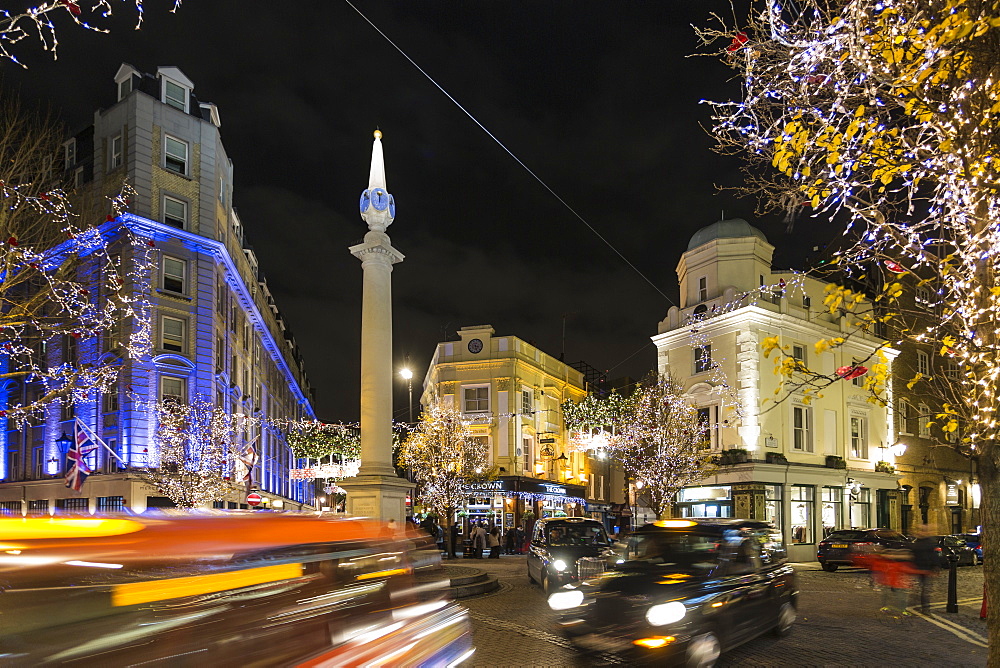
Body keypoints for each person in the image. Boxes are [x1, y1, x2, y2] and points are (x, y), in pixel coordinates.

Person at [911, 525, 941, 613]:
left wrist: (936, 566)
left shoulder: (929, 542)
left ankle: (925, 608)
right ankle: (919, 605)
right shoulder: (917, 542)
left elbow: (933, 556)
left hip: (926, 569)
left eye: (923, 530)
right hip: (918, 568)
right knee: (920, 588)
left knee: (925, 589)